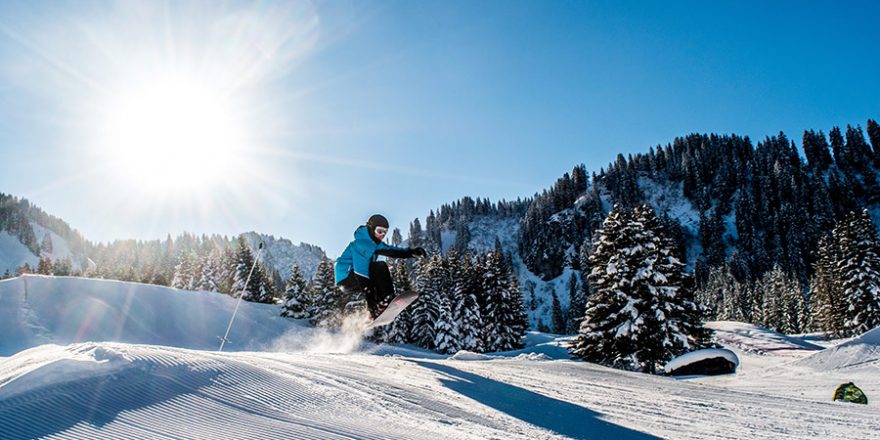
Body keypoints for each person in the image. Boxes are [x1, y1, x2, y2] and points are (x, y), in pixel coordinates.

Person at [335, 214, 426, 319]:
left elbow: (392, 251)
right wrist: (372, 303)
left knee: (377, 279)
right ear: (371, 228)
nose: (381, 235)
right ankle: (384, 301)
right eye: (379, 231)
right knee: (380, 267)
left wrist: (411, 252)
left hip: (352, 277)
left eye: (384, 232)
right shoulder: (362, 243)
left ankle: (378, 308)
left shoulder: (374, 243)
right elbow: (361, 273)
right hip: (346, 277)